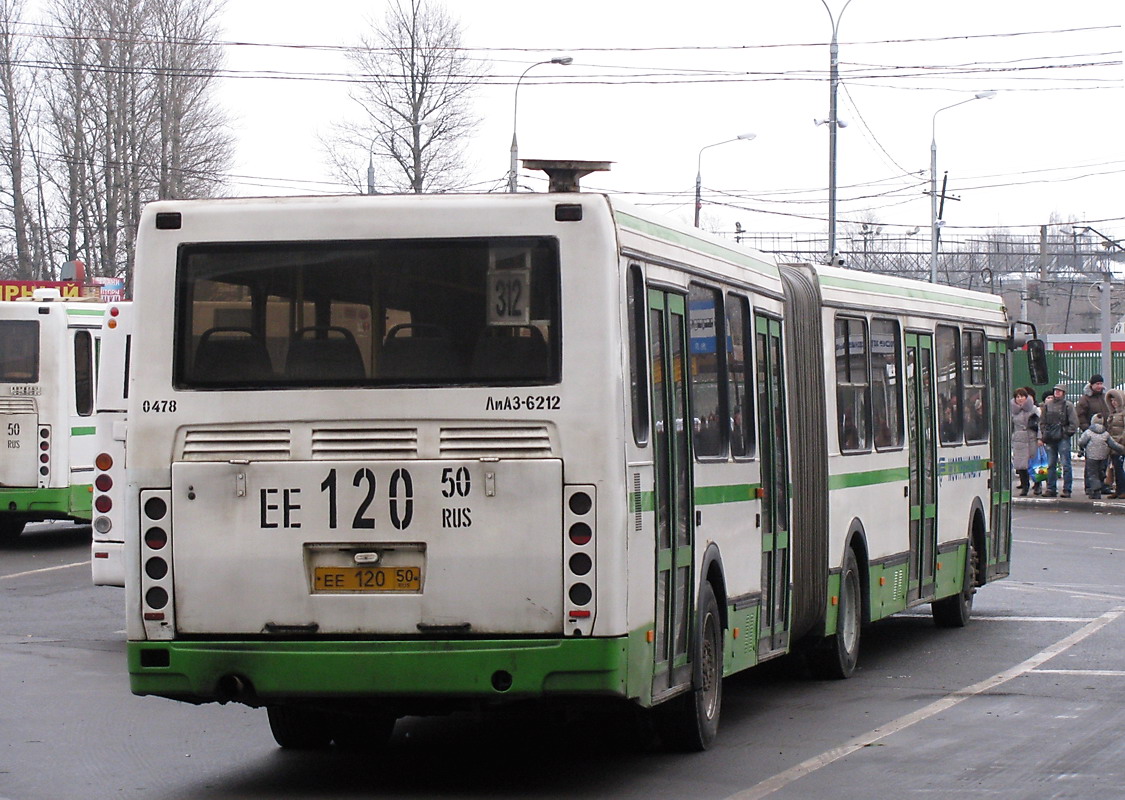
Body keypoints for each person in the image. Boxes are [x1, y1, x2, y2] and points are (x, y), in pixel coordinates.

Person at [1038, 383, 1078, 498]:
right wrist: (1045, 432)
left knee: (1066, 464)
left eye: (1060, 391)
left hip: (1063, 438)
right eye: (1056, 391)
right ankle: (1051, 489)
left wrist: (1065, 433)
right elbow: (1042, 421)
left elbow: (1074, 423)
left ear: (1064, 393)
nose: (1057, 393)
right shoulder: (1048, 405)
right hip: (1050, 438)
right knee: (1050, 464)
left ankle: (1067, 489)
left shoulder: (1068, 406)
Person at [1076, 373, 1110, 493]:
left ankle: (1101, 485)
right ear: (1092, 385)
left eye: (1101, 383)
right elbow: (1080, 415)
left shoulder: (1105, 397)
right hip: (1091, 434)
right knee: (1091, 462)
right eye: (1097, 384)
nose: (1099, 386)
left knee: (1103, 461)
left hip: (1104, 434)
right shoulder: (1085, 399)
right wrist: (1087, 429)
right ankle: (1089, 486)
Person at [1077, 414, 1125, 500]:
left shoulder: (1088, 433)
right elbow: (1113, 444)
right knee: (1100, 473)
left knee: (1092, 474)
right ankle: (1099, 486)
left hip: (1091, 457)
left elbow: (1081, 442)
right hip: (1103, 457)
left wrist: (1083, 447)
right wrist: (1122, 449)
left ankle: (1096, 491)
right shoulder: (1106, 434)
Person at [1010, 386, 1039, 496]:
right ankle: (1025, 486)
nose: (1020, 398)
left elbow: (1040, 424)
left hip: (1032, 438)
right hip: (1019, 440)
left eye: (1022, 396)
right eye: (1017, 396)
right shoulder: (1012, 411)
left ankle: (1037, 485)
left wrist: (1040, 438)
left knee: (1035, 464)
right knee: (1021, 465)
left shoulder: (1034, 409)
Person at [1103, 388, 1125, 499]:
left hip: (1121, 445)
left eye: (1115, 400)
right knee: (1115, 468)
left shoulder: (1123, 413)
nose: (1113, 402)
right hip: (1113, 445)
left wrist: (1121, 441)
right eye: (1111, 400)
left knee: (1121, 468)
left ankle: (1123, 490)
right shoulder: (1113, 414)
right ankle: (1118, 489)